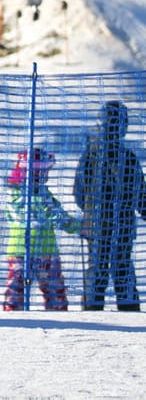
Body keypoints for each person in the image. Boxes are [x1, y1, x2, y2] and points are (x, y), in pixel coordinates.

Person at [75, 100, 146, 311]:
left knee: (96, 267)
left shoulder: (89, 155)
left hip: (96, 223)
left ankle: (92, 309)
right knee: (122, 265)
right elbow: (140, 193)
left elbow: (78, 193)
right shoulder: (128, 158)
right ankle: (129, 310)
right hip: (122, 224)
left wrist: (90, 210)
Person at [3, 148, 82, 311]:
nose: (46, 174)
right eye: (44, 170)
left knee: (15, 294)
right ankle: (58, 323)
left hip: (18, 249)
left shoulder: (12, 192)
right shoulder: (39, 193)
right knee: (55, 295)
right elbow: (55, 214)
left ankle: (13, 321)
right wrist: (80, 227)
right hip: (44, 250)